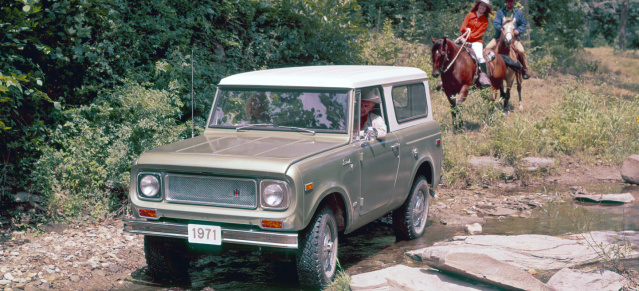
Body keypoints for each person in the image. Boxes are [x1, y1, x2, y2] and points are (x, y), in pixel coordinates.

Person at [485, 0, 530, 79]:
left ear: (513, 2)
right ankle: (486, 70)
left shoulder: (518, 12)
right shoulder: (500, 12)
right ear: (506, 2)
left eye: (511, 1)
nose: (510, 3)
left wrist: (518, 30)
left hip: (514, 38)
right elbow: (496, 23)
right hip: (500, 37)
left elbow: (523, 24)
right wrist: (500, 28)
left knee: (521, 51)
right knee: (487, 48)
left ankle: (524, 69)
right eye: (508, 1)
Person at [460, 0, 493, 88]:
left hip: (476, 41)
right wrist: (466, 30)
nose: (482, 7)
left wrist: (468, 38)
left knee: (479, 57)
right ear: (478, 5)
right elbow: (462, 27)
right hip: (464, 39)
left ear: (486, 9)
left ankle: (485, 77)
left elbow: (478, 34)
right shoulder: (470, 15)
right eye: (481, 5)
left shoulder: (485, 20)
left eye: (484, 6)